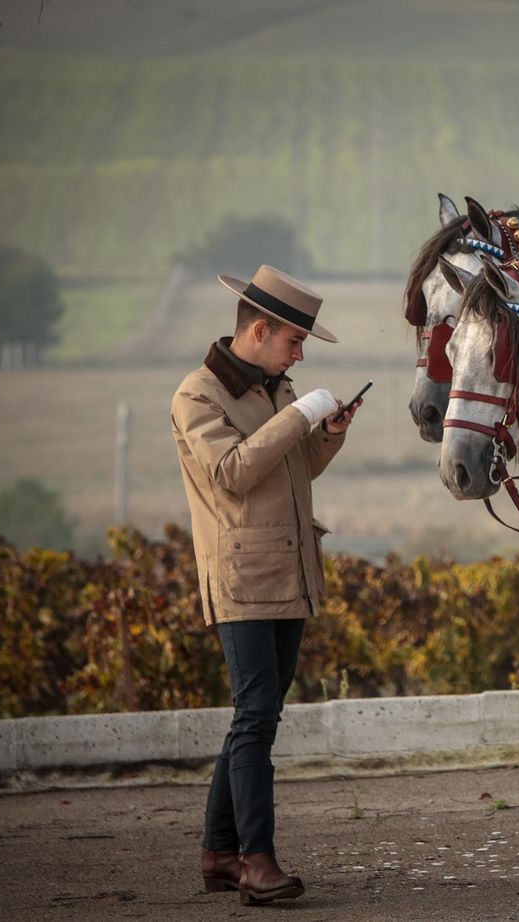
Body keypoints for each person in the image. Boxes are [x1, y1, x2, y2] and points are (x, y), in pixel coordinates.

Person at [170, 264, 360, 905]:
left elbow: (290, 471)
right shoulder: (197, 396)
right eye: (294, 341)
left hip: (289, 570)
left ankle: (220, 854)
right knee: (255, 715)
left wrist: (324, 436)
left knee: (259, 714)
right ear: (259, 329)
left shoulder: (276, 390)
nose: (299, 355)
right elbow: (232, 473)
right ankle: (256, 861)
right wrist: (299, 414)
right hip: (243, 576)